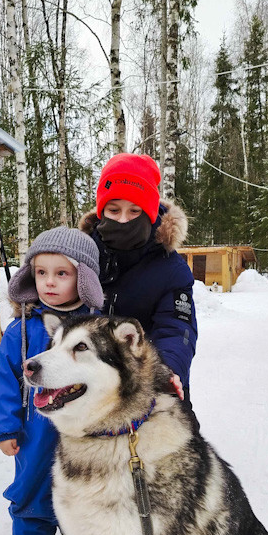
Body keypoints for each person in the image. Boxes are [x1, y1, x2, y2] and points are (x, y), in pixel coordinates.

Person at [0, 227, 104, 535]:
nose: (49, 283)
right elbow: (5, 379)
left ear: (83, 278)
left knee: (84, 491)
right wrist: (5, 426)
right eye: (41, 273)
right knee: (34, 488)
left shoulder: (97, 328)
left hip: (86, 432)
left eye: (61, 273)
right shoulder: (21, 330)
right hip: (35, 433)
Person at [79, 152, 197, 408]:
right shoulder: (82, 256)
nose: (122, 220)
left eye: (135, 211)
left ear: (151, 214)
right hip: (90, 384)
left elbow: (177, 329)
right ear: (101, 211)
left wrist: (167, 370)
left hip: (147, 381)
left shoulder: (171, 268)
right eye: (113, 210)